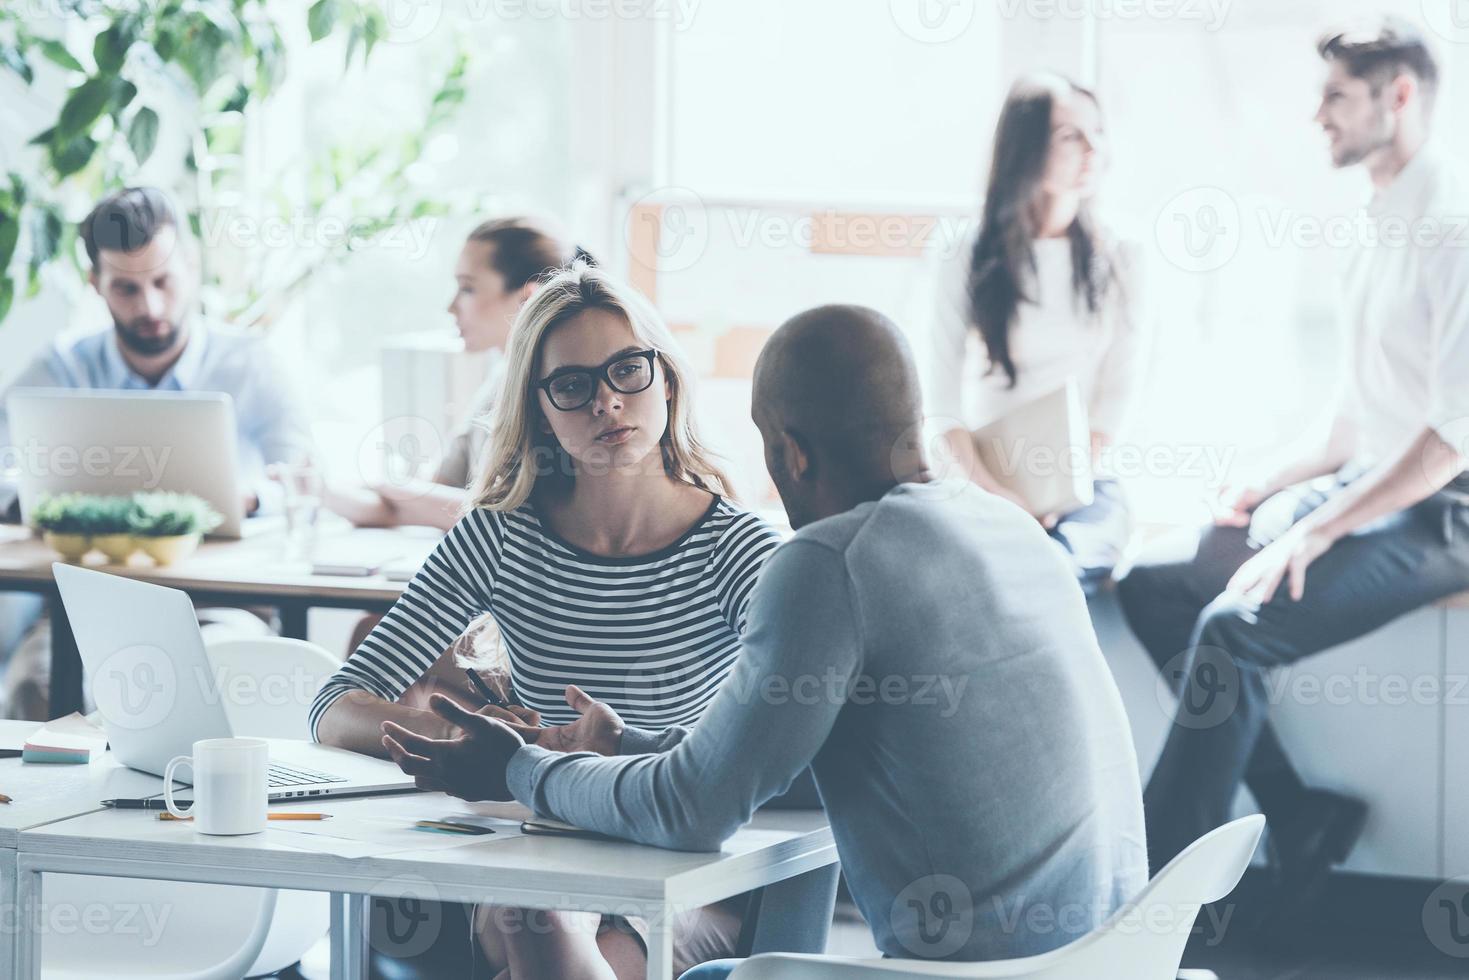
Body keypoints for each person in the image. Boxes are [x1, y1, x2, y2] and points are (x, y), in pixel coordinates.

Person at [381, 304, 1149, 970]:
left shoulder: (828, 561)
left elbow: (693, 812)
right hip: (1109, 961)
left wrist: (522, 768)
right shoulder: (1006, 524)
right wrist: (631, 744)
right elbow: (805, 757)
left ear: (792, 451)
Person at [311, 263, 784, 979]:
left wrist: (623, 751)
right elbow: (332, 706)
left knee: (533, 927)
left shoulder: (736, 549)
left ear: (666, 379)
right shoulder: (499, 536)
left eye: (627, 370)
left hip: (676, 863)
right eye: (572, 385)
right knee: (525, 912)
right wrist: (473, 744)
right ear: (538, 410)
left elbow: (782, 739)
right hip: (542, 842)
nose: (605, 402)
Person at [1117, 17, 1469, 909]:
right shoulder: (1372, 221)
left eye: (1336, 97)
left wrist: (1313, 527)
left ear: (1399, 97)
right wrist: (1272, 479)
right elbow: (1356, 415)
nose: (1316, 116)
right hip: (1374, 481)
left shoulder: (1454, 226)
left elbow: (1449, 436)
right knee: (1153, 580)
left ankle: (1146, 908)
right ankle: (1298, 811)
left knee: (1232, 632)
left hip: (1446, 505)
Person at [0, 187, 311, 718]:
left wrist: (250, 498)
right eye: (126, 288)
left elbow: (305, 480)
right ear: (94, 284)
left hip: (219, 604)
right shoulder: (59, 368)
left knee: (212, 696)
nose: (150, 306)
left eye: (163, 281)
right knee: (36, 688)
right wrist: (32, 497)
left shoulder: (251, 363)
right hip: (81, 607)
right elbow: (6, 480)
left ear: (190, 267)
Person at [928, 73, 1143, 593]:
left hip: (1082, 485)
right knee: (982, 577)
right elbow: (939, 401)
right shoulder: (964, 250)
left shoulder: (1120, 256)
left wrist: (1055, 496)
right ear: (1027, 149)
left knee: (1056, 576)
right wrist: (994, 493)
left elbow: (1116, 397)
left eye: (1098, 132)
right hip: (982, 477)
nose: (1094, 150)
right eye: (1072, 135)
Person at [322, 216, 590, 532]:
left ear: (527, 297)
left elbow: (500, 516)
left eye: (468, 288)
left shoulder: (560, 395)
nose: (451, 307)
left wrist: (392, 489)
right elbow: (422, 498)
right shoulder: (497, 381)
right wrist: (321, 489)